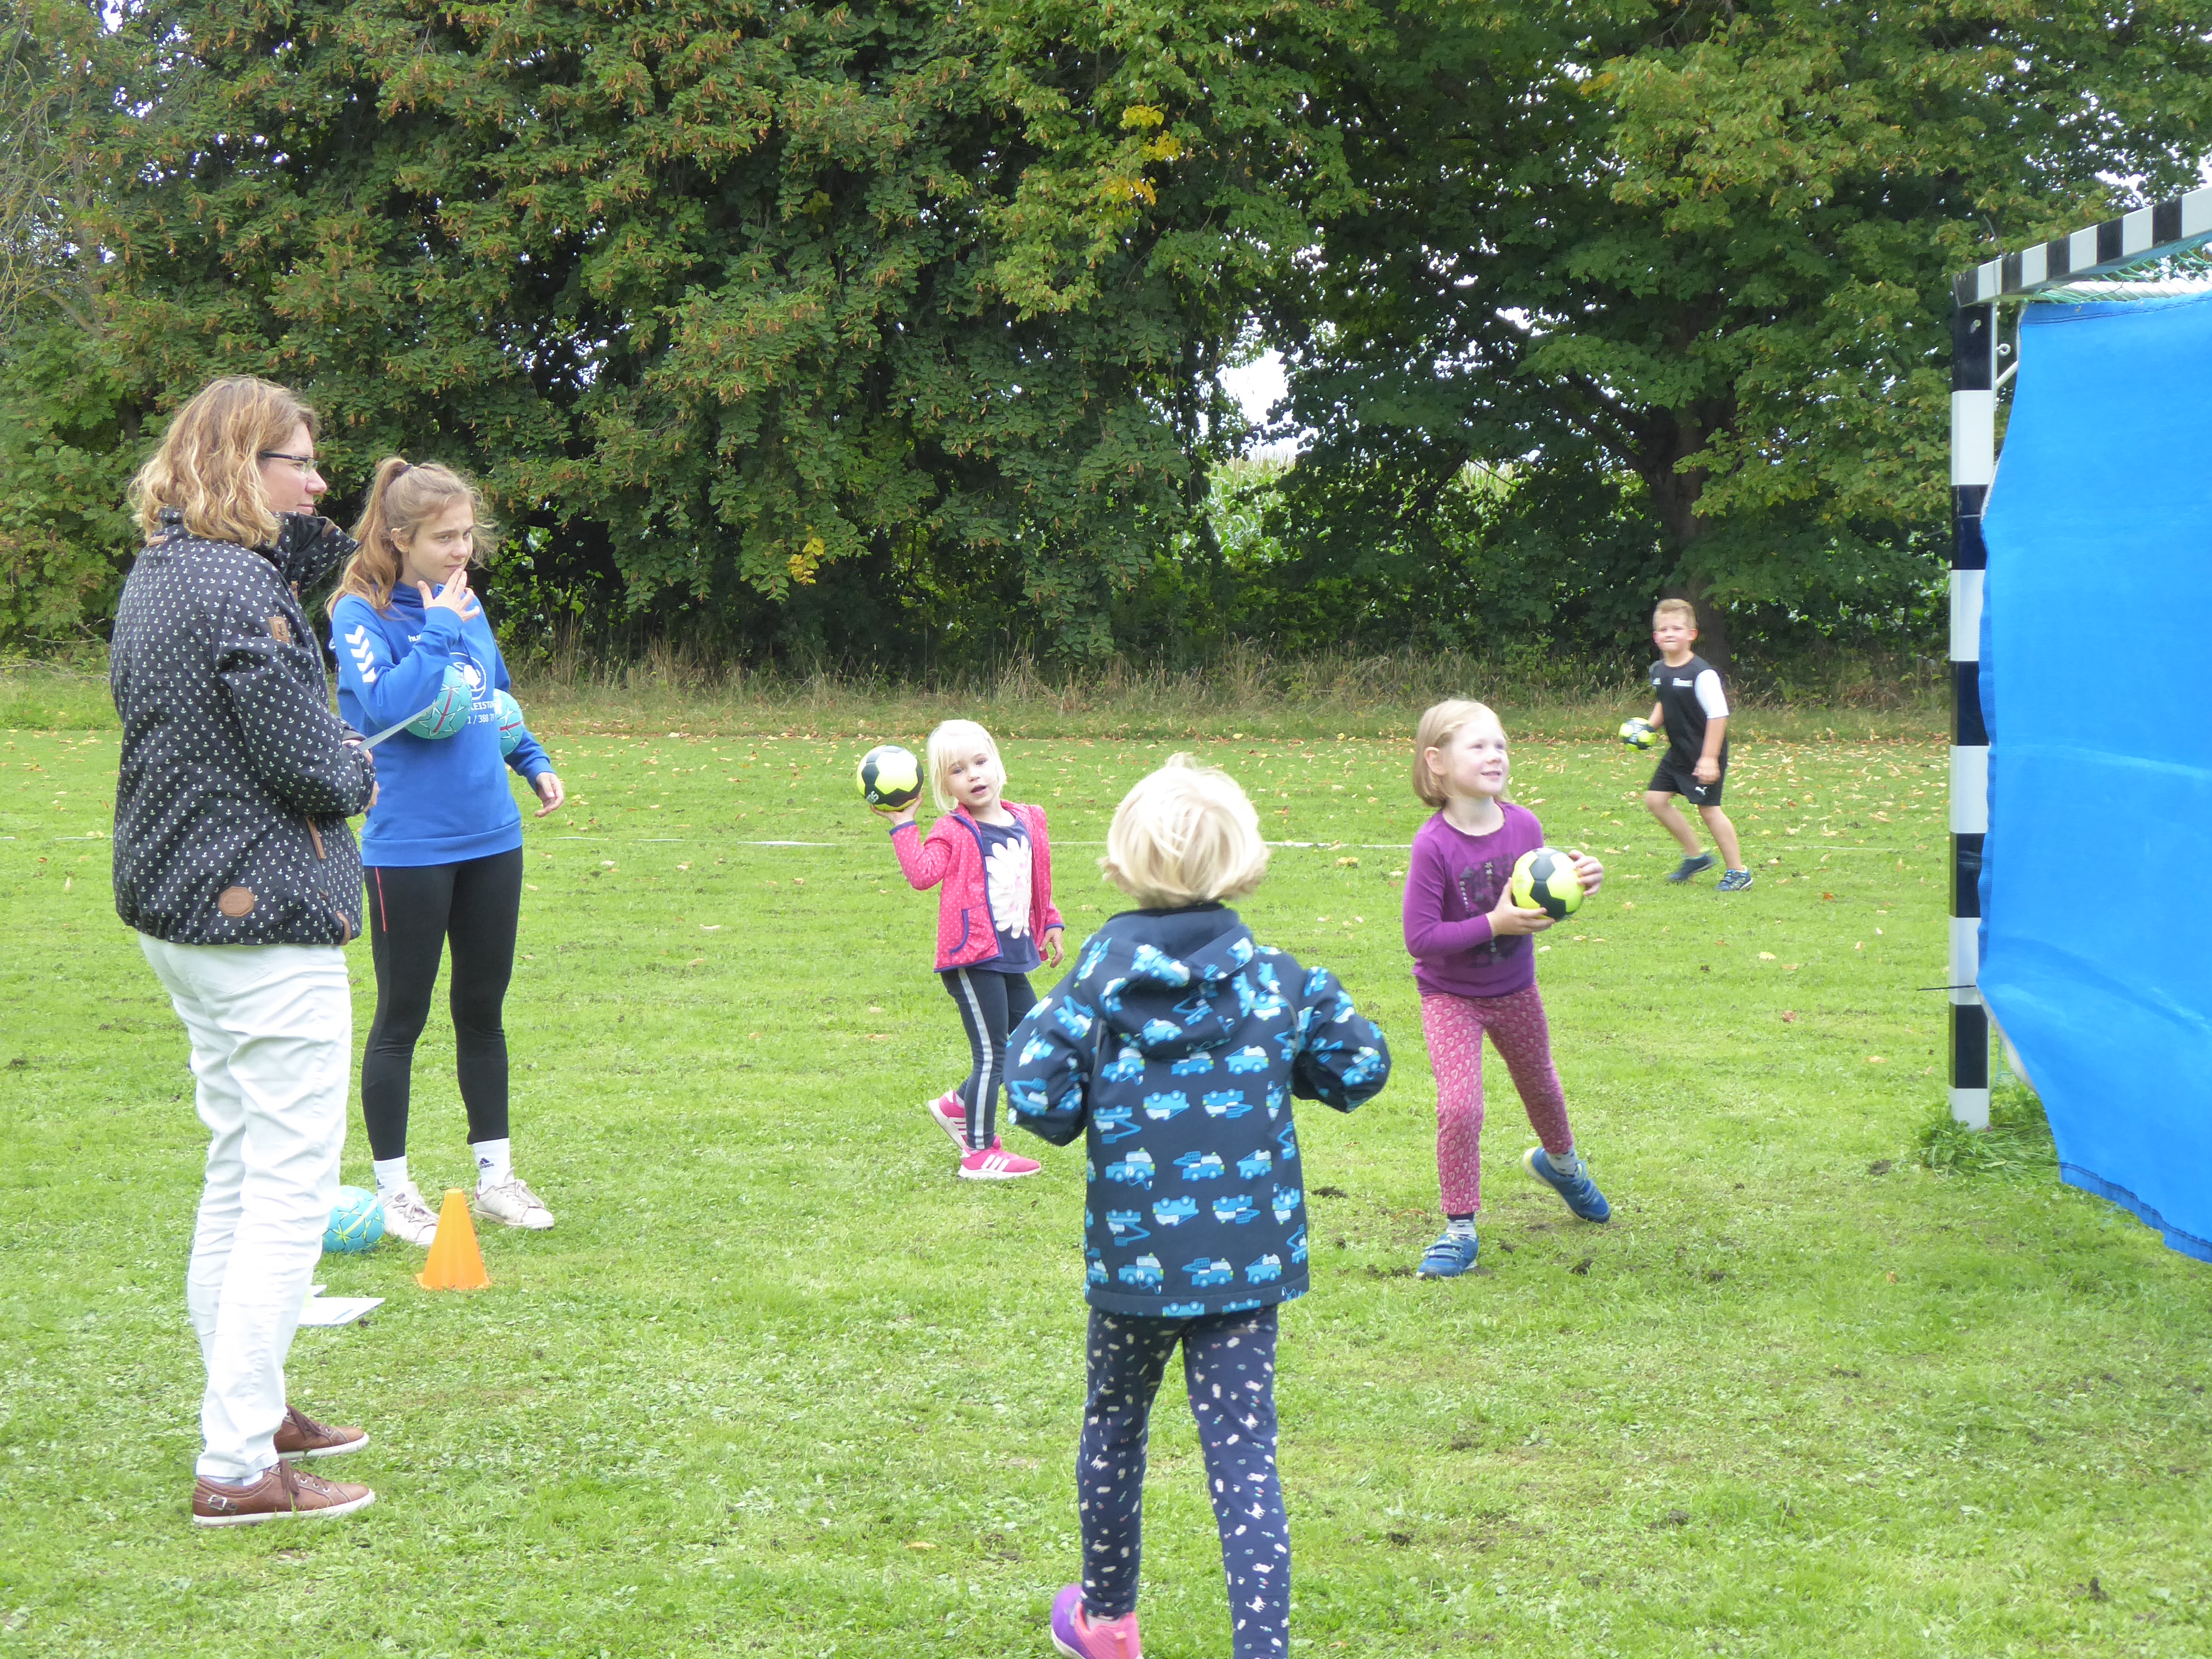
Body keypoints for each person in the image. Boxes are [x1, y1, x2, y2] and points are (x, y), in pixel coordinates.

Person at [1006, 755, 1392, 1659]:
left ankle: (1107, 1622)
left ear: (1120, 865)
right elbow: (1362, 1065)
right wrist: (1292, 1055)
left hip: (1134, 1267)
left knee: (1114, 1428)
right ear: (1245, 864)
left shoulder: (1096, 980)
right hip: (1245, 1268)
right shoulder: (1279, 981)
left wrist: (1079, 1097)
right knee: (1244, 1453)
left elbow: (1033, 1090)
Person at [111, 375, 379, 1526]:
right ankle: (235, 1467)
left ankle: (252, 1410)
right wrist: (360, 763)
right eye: (299, 463)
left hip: (184, 913)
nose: (320, 485)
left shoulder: (172, 570)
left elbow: (281, 603)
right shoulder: (234, 588)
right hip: (256, 917)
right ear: (239, 464)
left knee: (239, 1167)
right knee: (287, 1186)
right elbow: (311, 764)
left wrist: (298, 547)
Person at [327, 459, 564, 1243]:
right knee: (401, 1018)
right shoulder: (358, 614)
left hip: (492, 837)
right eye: (445, 538)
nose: (462, 551)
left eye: (467, 535)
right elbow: (388, 706)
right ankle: (395, 1191)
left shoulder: (468, 603)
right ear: (400, 538)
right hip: (408, 847)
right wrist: (436, 628)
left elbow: (491, 697)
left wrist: (530, 759)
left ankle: (496, 1178)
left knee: (482, 1011)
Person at [1400, 700, 1610, 1280]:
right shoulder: (1433, 845)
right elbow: (1420, 939)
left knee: (1541, 1085)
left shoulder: (1525, 827)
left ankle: (1562, 1167)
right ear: (1437, 762)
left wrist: (1581, 878)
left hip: (1516, 988)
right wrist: (1494, 923)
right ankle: (1459, 1229)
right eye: (1478, 746)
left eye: (1500, 745)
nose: (1495, 756)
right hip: (1450, 997)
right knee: (1460, 1106)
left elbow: (1539, 897)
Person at [879, 718, 1064, 1179]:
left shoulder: (1027, 819)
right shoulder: (953, 830)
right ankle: (978, 1154)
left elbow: (1031, 878)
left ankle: (958, 1105)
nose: (974, 775)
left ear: (998, 763)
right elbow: (923, 875)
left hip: (1011, 953)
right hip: (972, 957)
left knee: (1027, 1039)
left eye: (980, 762)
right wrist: (904, 825)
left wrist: (1050, 919)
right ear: (945, 786)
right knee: (994, 1054)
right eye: (958, 770)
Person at [1641, 598, 1751, 890]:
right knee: (1655, 800)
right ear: (1656, 637)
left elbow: (1718, 715)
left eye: (1677, 628)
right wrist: (1647, 728)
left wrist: (1709, 759)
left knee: (1708, 810)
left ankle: (1739, 872)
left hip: (1704, 753)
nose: (1670, 634)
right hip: (1678, 752)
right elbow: (1664, 703)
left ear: (1692, 635)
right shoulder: (1658, 670)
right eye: (1664, 629)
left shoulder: (1701, 674)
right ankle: (1696, 857)